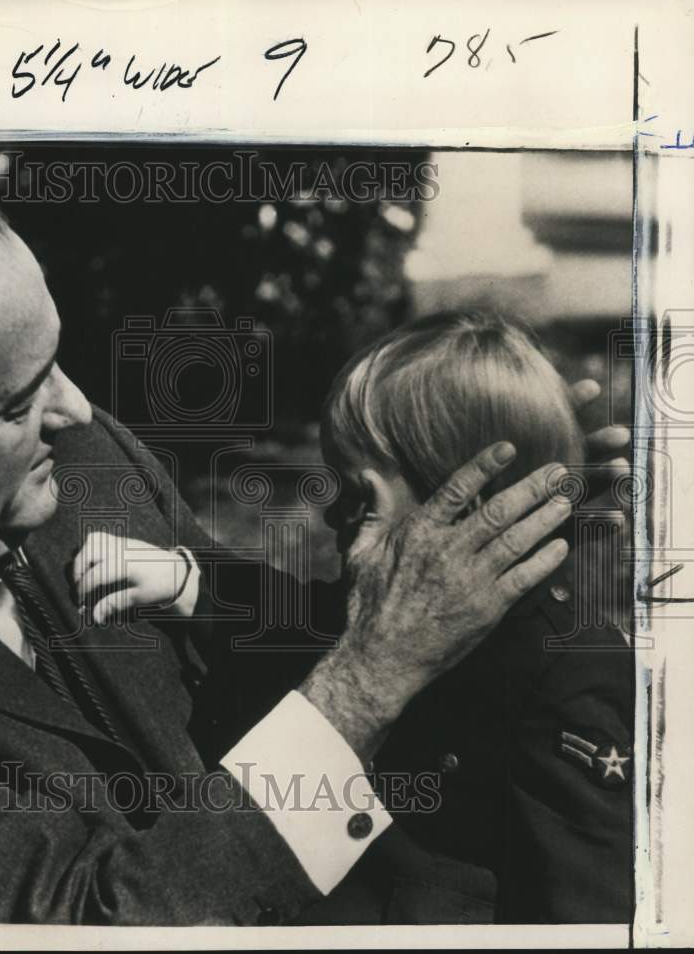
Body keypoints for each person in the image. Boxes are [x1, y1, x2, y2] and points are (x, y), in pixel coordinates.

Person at [0, 168, 615, 925]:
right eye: (21, 402)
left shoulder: (76, 462)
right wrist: (369, 679)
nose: (77, 410)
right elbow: (106, 928)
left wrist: (493, 538)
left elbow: (270, 660)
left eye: (58, 361)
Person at [98, 311, 631, 924]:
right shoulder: (387, 614)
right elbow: (303, 618)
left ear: (465, 511)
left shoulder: (567, 669)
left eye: (359, 500)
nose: (332, 519)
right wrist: (196, 582)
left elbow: (590, 906)